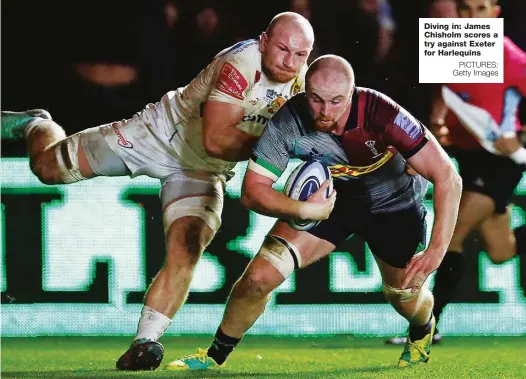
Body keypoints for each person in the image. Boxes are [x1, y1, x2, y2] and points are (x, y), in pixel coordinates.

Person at [1, 12, 314, 371]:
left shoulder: (303, 86)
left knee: (188, 248)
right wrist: (282, 146)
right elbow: (214, 140)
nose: (289, 62)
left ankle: (145, 342)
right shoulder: (241, 62)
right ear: (263, 41)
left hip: (203, 171)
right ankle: (36, 123)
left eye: (300, 55)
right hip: (155, 136)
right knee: (47, 168)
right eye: (282, 49)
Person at [165, 55, 462, 370]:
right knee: (257, 277)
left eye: (336, 101)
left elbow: (448, 177)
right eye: (317, 100)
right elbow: (252, 192)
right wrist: (304, 208)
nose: (325, 111)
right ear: (305, 90)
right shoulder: (289, 120)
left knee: (403, 296)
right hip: (335, 201)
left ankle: (422, 327)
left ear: (352, 93)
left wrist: (437, 249)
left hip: (395, 207)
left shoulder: (381, 112)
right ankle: (213, 357)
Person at [388, 0, 526, 346]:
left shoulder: (510, 58)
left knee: (455, 230)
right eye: (464, 10)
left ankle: (428, 326)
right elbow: (443, 97)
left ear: (495, 13)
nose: (469, 17)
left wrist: (521, 137)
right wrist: (439, 124)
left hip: (500, 162)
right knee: (501, 250)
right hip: (469, 158)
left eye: (479, 9)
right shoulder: (454, 47)